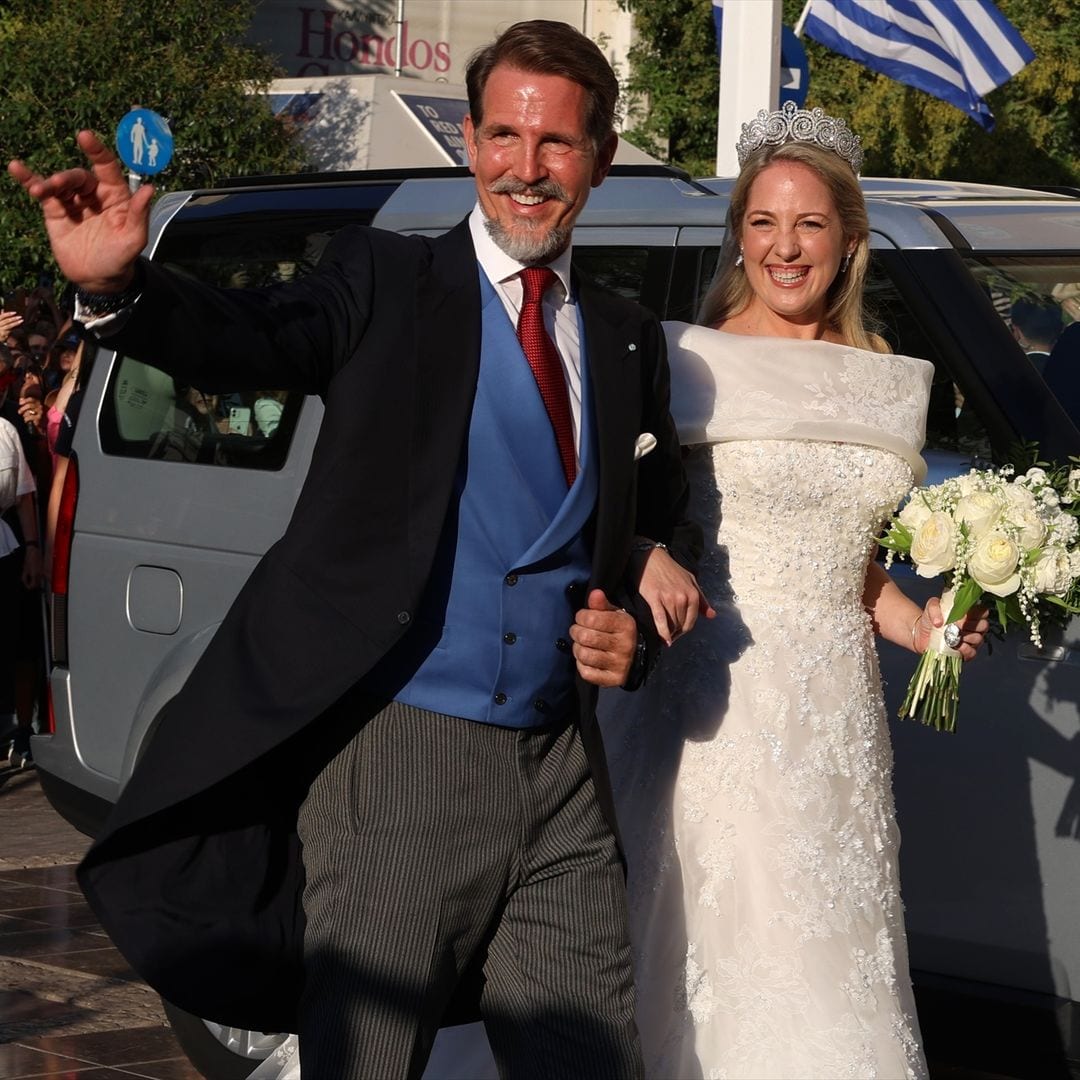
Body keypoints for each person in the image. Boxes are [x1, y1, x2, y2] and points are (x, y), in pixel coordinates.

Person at [10, 19, 706, 1080]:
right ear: (470, 141)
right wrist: (120, 289)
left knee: (593, 1058)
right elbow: (256, 337)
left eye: (557, 144)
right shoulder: (386, 281)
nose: (528, 169)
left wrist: (629, 628)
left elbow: (637, 529)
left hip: (563, 769)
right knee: (367, 1059)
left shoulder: (618, 337)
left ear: (600, 159)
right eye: (507, 138)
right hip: (401, 762)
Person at [598, 102, 989, 1079]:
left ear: (849, 239)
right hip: (714, 711)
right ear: (740, 234)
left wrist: (924, 626)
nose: (786, 246)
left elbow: (854, 570)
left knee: (833, 958)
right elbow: (615, 511)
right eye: (765, 222)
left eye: (810, 224)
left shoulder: (886, 382)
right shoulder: (686, 362)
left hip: (837, 728)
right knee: (723, 958)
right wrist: (642, 551)